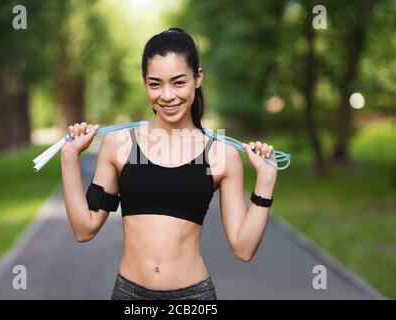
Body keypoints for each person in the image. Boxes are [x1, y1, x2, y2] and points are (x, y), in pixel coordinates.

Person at [60, 27, 278, 300]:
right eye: (155, 84)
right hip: (130, 297)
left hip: (193, 299)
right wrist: (69, 159)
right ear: (144, 82)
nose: (167, 95)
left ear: (197, 78)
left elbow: (243, 249)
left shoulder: (220, 154)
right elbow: (84, 228)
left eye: (178, 82)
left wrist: (266, 182)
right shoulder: (120, 145)